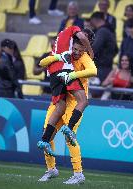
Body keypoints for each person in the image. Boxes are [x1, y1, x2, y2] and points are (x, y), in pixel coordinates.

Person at [38, 38, 97, 185]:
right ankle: (51, 169)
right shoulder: (64, 54)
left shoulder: (85, 57)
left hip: (75, 102)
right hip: (59, 100)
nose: (76, 52)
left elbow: (93, 71)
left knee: (69, 137)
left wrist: (72, 75)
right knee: (46, 134)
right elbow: (42, 63)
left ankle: (78, 174)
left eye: (80, 49)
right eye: (75, 49)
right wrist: (58, 57)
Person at [90, 11, 118, 88]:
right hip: (107, 67)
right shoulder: (110, 31)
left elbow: (95, 48)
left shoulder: (102, 31)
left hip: (100, 68)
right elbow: (116, 50)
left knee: (95, 92)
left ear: (94, 20)